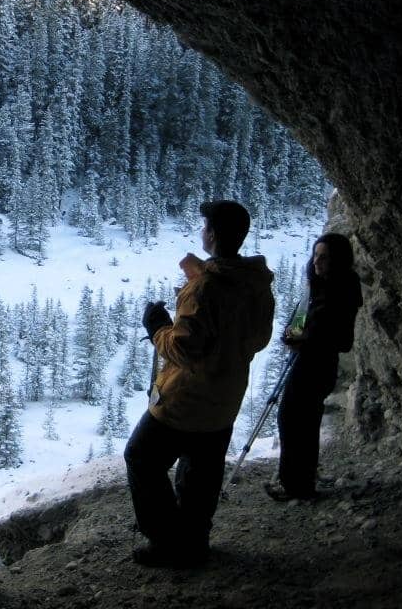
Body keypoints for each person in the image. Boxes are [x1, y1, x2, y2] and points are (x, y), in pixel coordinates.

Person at [124, 200, 275, 567]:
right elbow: (258, 338)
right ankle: (194, 543)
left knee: (141, 457)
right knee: (202, 472)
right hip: (225, 397)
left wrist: (157, 325)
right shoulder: (254, 283)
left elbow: (184, 348)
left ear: (211, 233)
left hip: (185, 399)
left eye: (205, 226)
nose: (201, 232)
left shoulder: (205, 288)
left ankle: (166, 541)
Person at [265, 233, 363, 501]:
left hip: (318, 365)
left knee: (297, 420)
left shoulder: (344, 291)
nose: (317, 261)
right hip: (308, 362)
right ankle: (298, 482)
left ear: (338, 261)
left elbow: (343, 340)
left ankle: (297, 485)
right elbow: (298, 322)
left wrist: (304, 338)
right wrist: (292, 335)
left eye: (324, 257)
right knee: (298, 421)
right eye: (315, 255)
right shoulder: (316, 287)